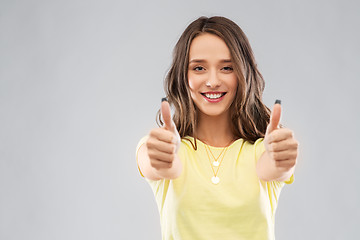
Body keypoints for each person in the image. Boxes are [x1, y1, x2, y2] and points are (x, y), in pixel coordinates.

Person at [135, 16, 299, 240]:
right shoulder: (164, 147)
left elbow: (274, 167)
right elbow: (157, 163)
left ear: (243, 74)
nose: (213, 81)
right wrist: (162, 158)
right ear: (183, 76)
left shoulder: (261, 151)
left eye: (227, 68)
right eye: (199, 68)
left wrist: (281, 158)